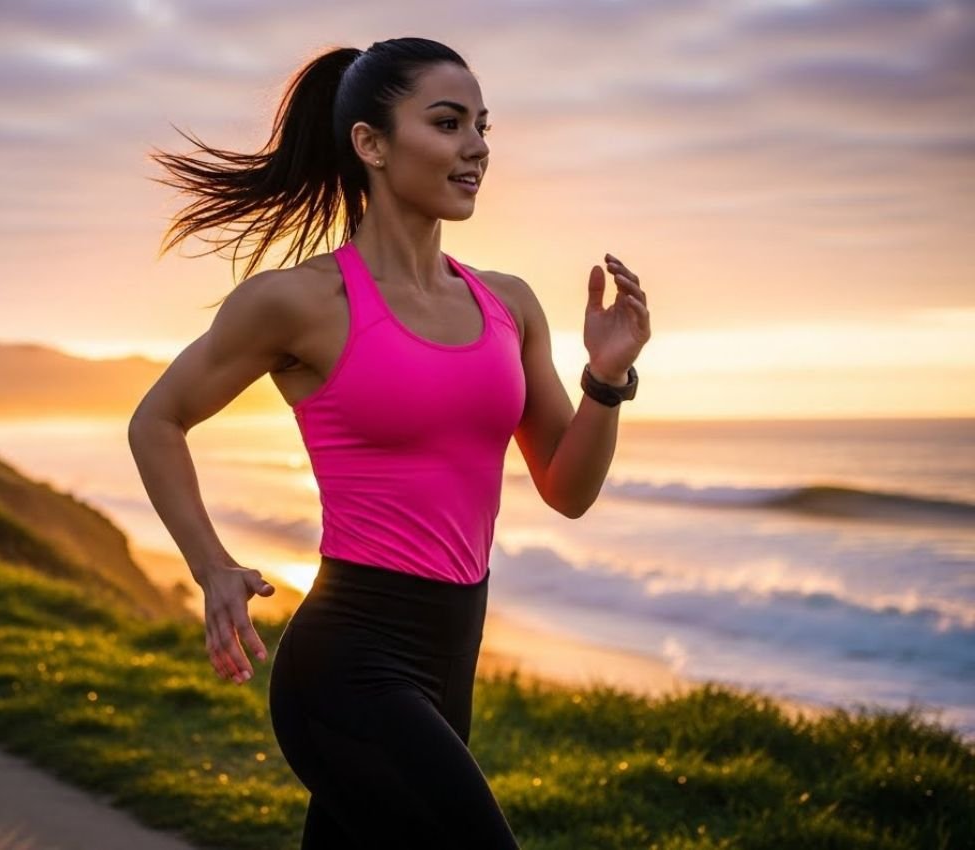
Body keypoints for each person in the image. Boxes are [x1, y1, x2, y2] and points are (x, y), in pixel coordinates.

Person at [129, 36, 651, 849]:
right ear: (370, 144)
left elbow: (567, 489)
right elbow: (156, 421)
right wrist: (213, 565)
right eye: (448, 123)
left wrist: (606, 380)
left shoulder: (508, 304)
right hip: (348, 660)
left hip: (452, 654)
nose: (475, 146)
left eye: (482, 126)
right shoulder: (299, 302)